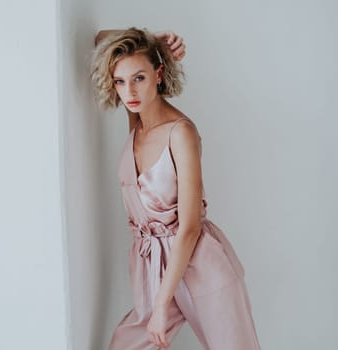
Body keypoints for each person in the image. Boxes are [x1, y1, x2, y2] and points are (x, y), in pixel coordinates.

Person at [91, 27, 261, 350]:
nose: (130, 91)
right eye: (120, 81)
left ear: (159, 73)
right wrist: (152, 38)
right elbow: (101, 39)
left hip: (200, 265)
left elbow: (190, 227)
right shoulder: (136, 117)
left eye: (139, 78)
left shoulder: (181, 133)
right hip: (153, 267)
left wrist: (160, 306)